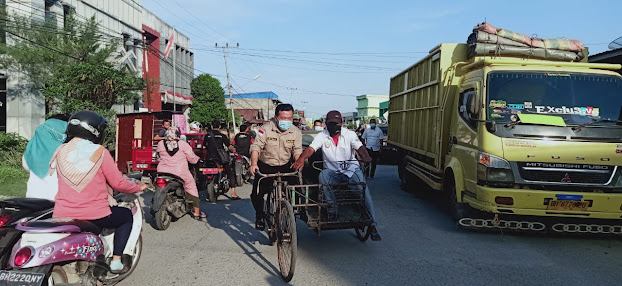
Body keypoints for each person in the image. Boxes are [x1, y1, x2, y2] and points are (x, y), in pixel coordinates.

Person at [50, 111, 148, 273]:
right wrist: (139, 187)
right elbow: (119, 183)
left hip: (62, 213)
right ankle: (116, 261)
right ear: (95, 131)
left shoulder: (60, 151)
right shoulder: (100, 152)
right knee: (125, 216)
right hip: (95, 214)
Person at [292, 110, 381, 241]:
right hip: (332, 172)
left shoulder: (349, 134)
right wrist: (300, 159)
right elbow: (311, 149)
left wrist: (366, 156)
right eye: (330, 124)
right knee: (323, 176)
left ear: (342, 123)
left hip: (350, 170)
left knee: (364, 190)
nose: (334, 126)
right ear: (326, 124)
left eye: (336, 123)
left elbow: (360, 147)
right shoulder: (322, 135)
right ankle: (332, 210)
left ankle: (372, 225)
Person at [249, 103, 302, 230]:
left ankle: (290, 213)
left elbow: (297, 150)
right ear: (276, 117)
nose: (286, 121)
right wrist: (254, 164)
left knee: (299, 189)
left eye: (289, 118)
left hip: (284, 165)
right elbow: (256, 147)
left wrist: (298, 162)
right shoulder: (265, 129)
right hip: (266, 165)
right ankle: (260, 215)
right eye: (283, 118)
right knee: (257, 193)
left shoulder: (296, 131)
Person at [157, 126, 203, 218]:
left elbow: (159, 155)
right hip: (179, 172)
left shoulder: (160, 144)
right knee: (191, 187)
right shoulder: (183, 144)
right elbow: (192, 158)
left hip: (162, 171)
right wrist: (198, 160)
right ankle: (197, 212)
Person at [22, 114, 68, 201]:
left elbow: (26, 166)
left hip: (32, 201)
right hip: (56, 204)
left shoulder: (32, 151)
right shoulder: (66, 152)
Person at [204, 120, 240, 200]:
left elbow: (204, 147)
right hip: (220, 158)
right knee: (230, 173)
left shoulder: (207, 136)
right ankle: (233, 193)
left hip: (209, 158)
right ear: (219, 127)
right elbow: (229, 147)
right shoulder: (222, 136)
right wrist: (234, 151)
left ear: (212, 126)